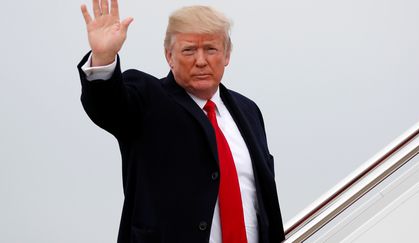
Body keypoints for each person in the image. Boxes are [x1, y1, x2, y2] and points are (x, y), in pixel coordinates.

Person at [78, 0, 284, 242]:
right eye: (188, 50)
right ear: (169, 56)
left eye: (211, 49)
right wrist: (103, 57)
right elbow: (107, 107)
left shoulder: (248, 111)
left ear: (227, 54)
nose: (200, 60)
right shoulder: (148, 98)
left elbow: (262, 201)